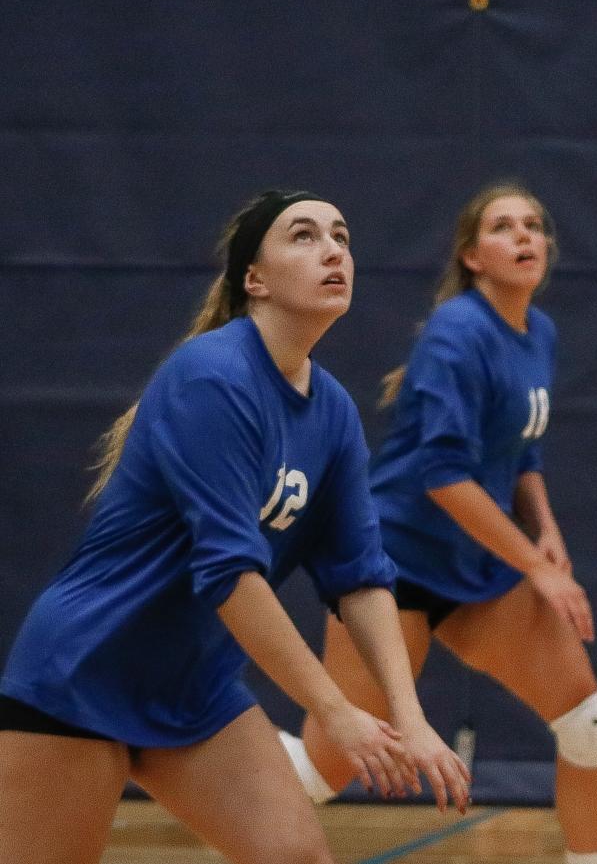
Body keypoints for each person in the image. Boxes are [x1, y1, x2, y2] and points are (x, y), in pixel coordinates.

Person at [0, 190, 471, 864]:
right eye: (304, 236)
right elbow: (228, 575)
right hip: (84, 670)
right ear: (255, 278)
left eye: (341, 235)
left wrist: (411, 717)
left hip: (194, 688)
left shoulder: (331, 409)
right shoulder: (211, 376)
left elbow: (363, 578)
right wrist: (334, 712)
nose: (334, 249)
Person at [280, 181, 597, 864]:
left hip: (473, 565)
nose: (524, 236)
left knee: (589, 724)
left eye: (534, 224)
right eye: (503, 226)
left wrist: (543, 525)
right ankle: (183, 768)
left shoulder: (538, 330)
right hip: (390, 563)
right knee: (326, 770)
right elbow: (443, 477)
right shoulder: (457, 333)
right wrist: (537, 569)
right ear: (472, 255)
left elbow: (521, 444)